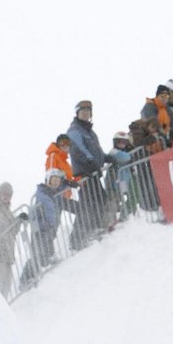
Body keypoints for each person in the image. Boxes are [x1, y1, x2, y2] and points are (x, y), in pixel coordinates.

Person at [67, 99, 108, 246]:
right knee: (88, 203)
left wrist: (106, 158)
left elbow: (97, 152)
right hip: (84, 173)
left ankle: (91, 229)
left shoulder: (90, 132)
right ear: (77, 113)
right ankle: (76, 238)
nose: (85, 114)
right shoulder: (74, 130)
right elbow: (78, 148)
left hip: (93, 172)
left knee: (99, 199)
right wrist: (90, 161)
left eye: (88, 111)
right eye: (83, 111)